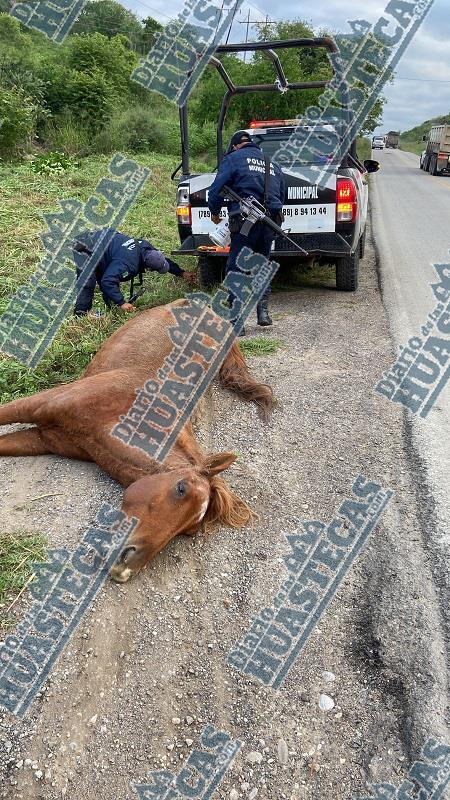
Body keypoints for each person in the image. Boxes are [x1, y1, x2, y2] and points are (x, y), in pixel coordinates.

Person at [207, 130, 285, 332]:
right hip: (269, 223)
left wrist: (215, 212)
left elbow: (216, 189)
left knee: (237, 267)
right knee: (261, 265)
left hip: (244, 225)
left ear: (234, 146)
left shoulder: (233, 159)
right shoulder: (271, 164)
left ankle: (236, 321)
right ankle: (263, 312)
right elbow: (281, 195)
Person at [73, 227, 195, 316]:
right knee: (88, 282)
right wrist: (122, 303)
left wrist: (181, 272)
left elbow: (163, 260)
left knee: (108, 273)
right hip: (84, 247)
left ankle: (112, 308)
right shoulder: (128, 264)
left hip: (105, 245)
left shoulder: (146, 248)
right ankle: (81, 314)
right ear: (148, 268)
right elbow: (107, 281)